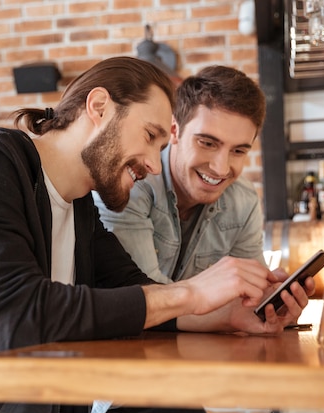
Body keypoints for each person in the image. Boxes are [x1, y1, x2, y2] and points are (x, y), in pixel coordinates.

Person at [0, 57, 313, 413]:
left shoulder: (79, 210)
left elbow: (143, 302)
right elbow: (10, 316)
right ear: (99, 108)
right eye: (152, 135)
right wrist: (192, 293)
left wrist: (230, 317)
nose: (155, 165)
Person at [94, 65, 272, 285]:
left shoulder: (243, 201)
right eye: (207, 143)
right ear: (174, 131)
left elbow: (249, 288)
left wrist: (270, 298)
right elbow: (143, 296)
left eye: (238, 151)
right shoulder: (132, 184)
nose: (221, 169)